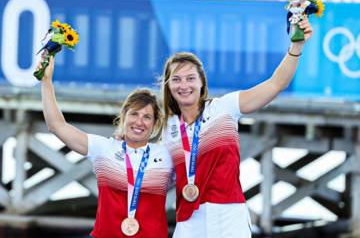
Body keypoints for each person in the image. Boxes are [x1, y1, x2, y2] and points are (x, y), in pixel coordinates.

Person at [160, 18, 313, 238]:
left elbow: (275, 83)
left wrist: (296, 46)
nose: (184, 85)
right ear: (169, 86)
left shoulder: (224, 107)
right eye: (176, 79)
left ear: (202, 82)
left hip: (229, 219)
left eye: (190, 78)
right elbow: (153, 177)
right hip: (189, 222)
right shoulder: (168, 129)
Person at [37, 55, 173, 238]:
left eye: (147, 117)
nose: (139, 122)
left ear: (155, 123)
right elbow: (57, 125)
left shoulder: (166, 155)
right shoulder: (104, 148)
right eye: (134, 114)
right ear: (124, 116)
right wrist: (46, 81)